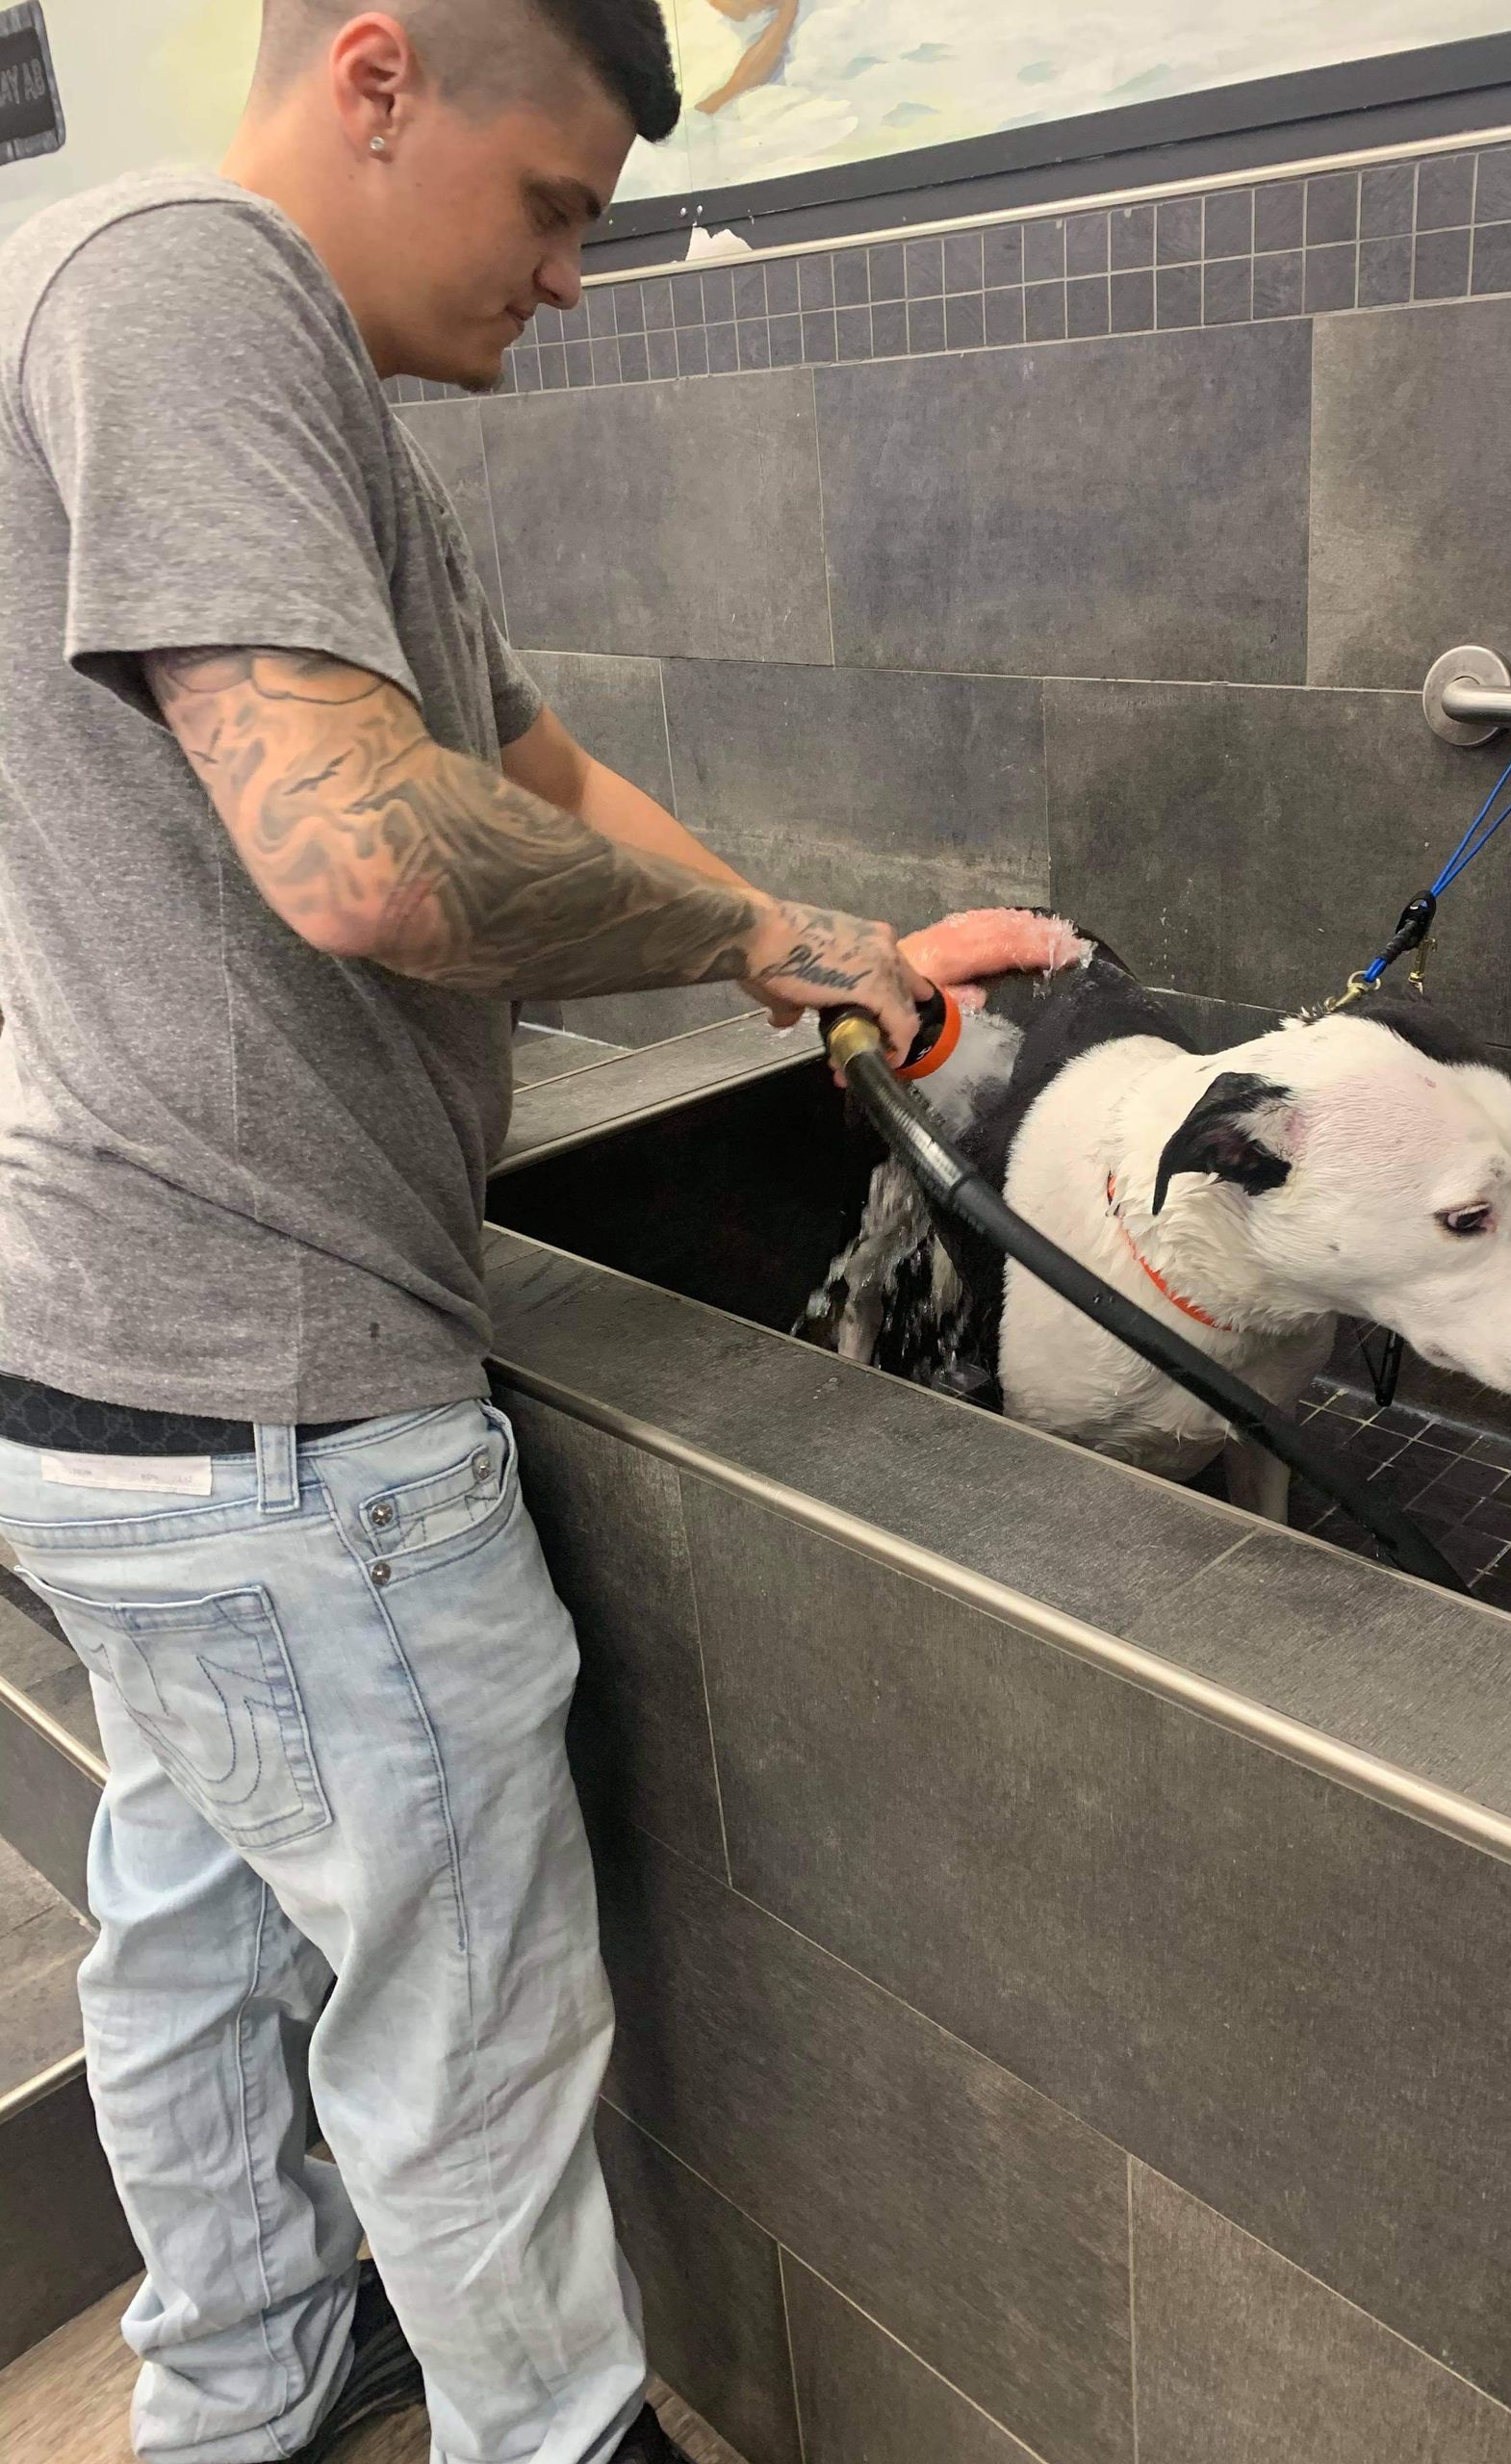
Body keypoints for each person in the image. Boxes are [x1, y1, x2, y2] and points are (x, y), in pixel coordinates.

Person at [0, 4, 933, 2458]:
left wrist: (829, 930)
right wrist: (749, 947)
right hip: (273, 1395)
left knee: (198, 1929)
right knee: (476, 2039)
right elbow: (371, 848)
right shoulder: (191, 278)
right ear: (382, 73)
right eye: (562, 208)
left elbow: (521, 772)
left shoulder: (233, 366)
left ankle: (246, 2390)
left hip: (115, 1378)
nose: (575, 280)